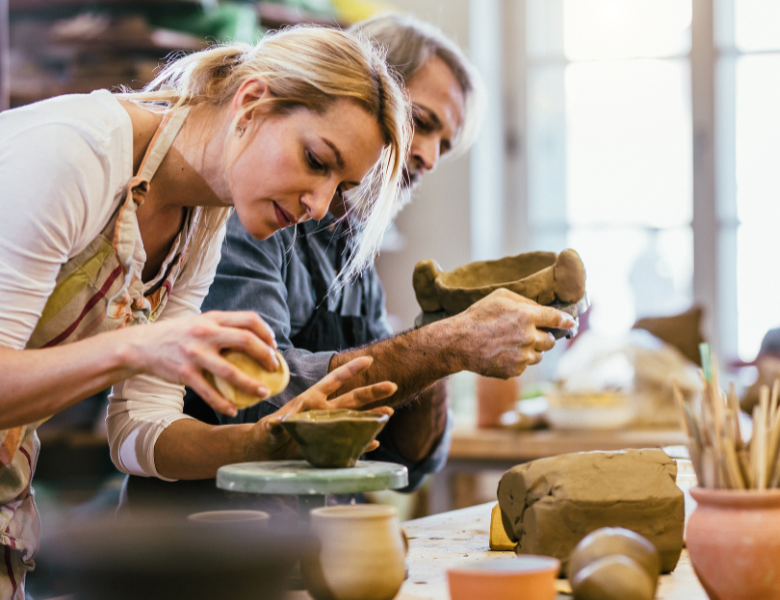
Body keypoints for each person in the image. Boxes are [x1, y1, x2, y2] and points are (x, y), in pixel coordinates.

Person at [0, 26, 411, 598]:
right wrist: (139, 346)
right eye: (316, 160)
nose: (317, 204)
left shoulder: (201, 221)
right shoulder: (74, 154)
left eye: (339, 186)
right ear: (252, 102)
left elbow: (140, 432)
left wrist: (263, 442)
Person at [124, 14, 574, 498]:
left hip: (318, 543)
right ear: (365, 96)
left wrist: (445, 331)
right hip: (209, 546)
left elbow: (404, 459)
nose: (427, 157)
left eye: (444, 144)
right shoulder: (249, 205)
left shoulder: (349, 239)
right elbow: (263, 401)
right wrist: (445, 343)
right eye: (419, 124)